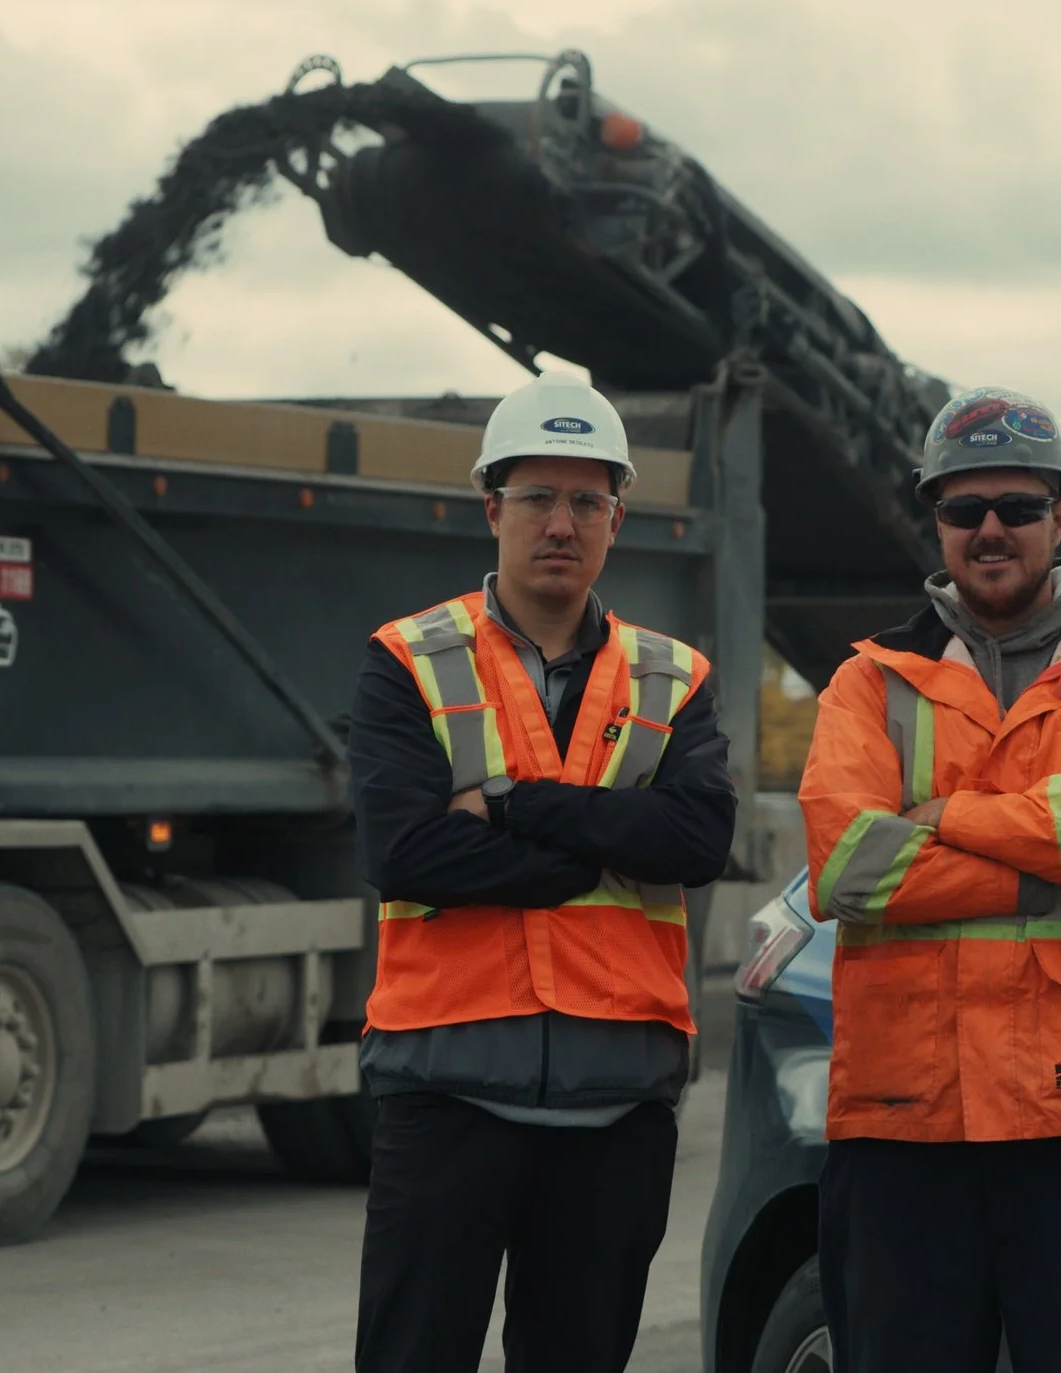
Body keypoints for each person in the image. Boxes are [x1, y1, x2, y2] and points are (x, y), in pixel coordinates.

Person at [799, 386, 1061, 1373]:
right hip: (905, 1125)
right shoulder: (868, 679)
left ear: (1060, 516)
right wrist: (1040, 877)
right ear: (932, 520)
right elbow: (846, 864)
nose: (989, 529)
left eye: (1016, 507)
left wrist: (946, 819)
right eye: (961, 508)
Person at [349, 369, 737, 1373]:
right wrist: (601, 848)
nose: (560, 522)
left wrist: (520, 807)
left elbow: (697, 841)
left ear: (616, 517)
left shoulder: (672, 676)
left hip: (616, 1102)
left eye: (585, 499)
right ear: (492, 507)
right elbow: (406, 849)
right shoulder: (407, 658)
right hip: (444, 1090)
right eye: (536, 496)